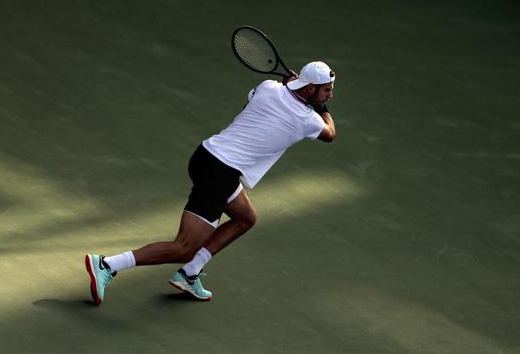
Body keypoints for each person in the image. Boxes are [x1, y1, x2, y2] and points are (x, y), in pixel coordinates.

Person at [85, 61, 336, 304]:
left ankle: (190, 273)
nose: (330, 96)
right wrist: (320, 107)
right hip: (220, 173)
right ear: (310, 88)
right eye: (327, 90)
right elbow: (330, 134)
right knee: (184, 246)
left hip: (206, 155)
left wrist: (289, 88)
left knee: (245, 218)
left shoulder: (268, 87)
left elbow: (258, 102)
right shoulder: (308, 120)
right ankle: (108, 264)